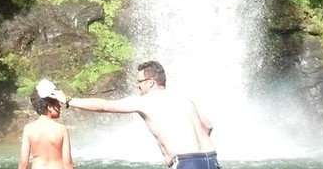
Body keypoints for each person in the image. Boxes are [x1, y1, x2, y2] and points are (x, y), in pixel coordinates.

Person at [59, 60, 217, 169]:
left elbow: (104, 106)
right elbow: (208, 126)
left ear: (151, 82)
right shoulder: (184, 98)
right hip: (211, 158)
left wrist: (67, 100)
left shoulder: (147, 101)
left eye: (139, 82)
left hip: (187, 162)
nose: (137, 86)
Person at [19, 79, 74, 169]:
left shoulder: (28, 129)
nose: (60, 106)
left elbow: (23, 162)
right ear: (49, 106)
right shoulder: (61, 129)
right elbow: (68, 163)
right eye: (57, 103)